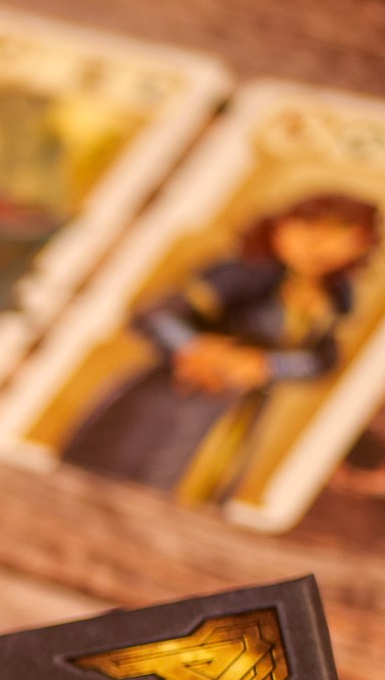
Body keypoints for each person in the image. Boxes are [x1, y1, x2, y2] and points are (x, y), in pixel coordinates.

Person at [63, 192, 382, 504]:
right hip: (177, 394)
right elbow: (155, 315)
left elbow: (323, 359)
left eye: (341, 236)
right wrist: (194, 348)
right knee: (128, 473)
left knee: (192, 486)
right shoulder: (243, 273)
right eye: (309, 229)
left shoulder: (334, 299)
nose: (320, 245)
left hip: (232, 415)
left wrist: (269, 365)